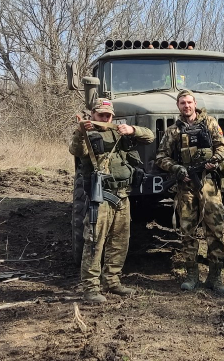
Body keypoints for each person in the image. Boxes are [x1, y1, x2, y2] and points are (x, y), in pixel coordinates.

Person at [69, 98, 154, 303]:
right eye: (101, 115)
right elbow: (75, 150)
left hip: (123, 194)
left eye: (108, 115)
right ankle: (91, 287)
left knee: (120, 241)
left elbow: (149, 136)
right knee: (94, 241)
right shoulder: (86, 133)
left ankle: (112, 281)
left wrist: (132, 130)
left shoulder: (118, 131)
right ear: (93, 114)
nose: (105, 118)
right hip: (101, 196)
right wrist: (81, 131)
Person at [155, 89, 224, 295]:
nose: (186, 106)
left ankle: (215, 276)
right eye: (182, 103)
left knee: (215, 230)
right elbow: (160, 157)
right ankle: (191, 275)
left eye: (189, 102)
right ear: (178, 106)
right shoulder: (173, 131)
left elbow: (222, 148)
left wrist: (213, 162)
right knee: (187, 231)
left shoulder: (211, 124)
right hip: (185, 187)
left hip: (208, 185)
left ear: (195, 104)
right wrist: (177, 169)